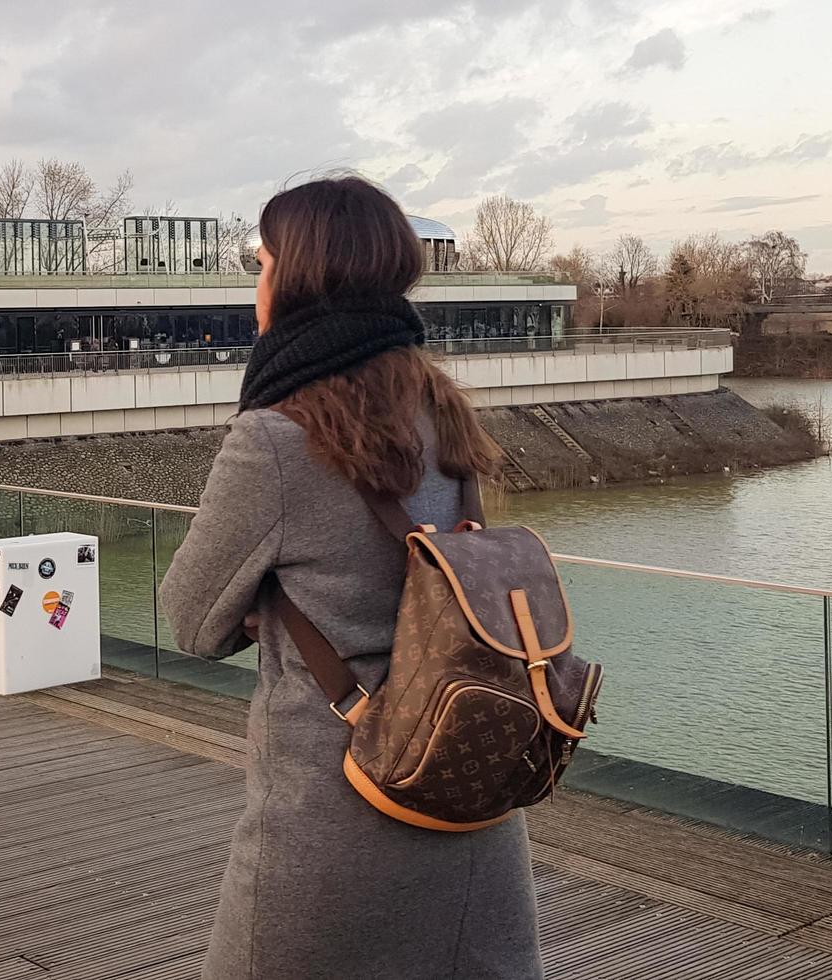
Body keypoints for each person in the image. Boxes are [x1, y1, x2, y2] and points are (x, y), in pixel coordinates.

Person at [159, 174, 541, 980]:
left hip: (336, 825)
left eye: (260, 265)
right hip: (470, 798)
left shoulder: (272, 441)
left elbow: (190, 622)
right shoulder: (445, 413)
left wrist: (268, 599)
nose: (254, 287)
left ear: (295, 281)